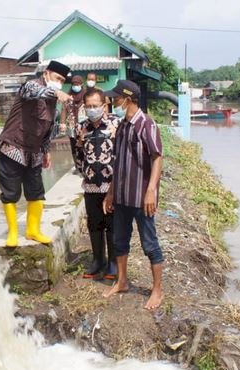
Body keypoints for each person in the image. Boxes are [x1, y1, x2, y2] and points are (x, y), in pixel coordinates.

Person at [101, 80, 165, 310]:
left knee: (150, 243)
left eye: (116, 98)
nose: (113, 101)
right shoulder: (123, 126)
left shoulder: (146, 124)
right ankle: (122, 281)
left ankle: (157, 290)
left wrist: (150, 191)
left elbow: (157, 157)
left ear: (127, 99)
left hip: (141, 197)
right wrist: (110, 192)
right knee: (120, 240)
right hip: (122, 195)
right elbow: (118, 162)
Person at [0, 61, 71, 247]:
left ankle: (33, 231)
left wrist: (46, 151)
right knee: (10, 193)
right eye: (57, 78)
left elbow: (48, 128)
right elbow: (35, 92)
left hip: (35, 152)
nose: (59, 83)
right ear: (46, 74)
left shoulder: (54, 101)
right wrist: (56, 92)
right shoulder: (31, 86)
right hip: (12, 148)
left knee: (37, 193)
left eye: (62, 81)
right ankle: (13, 233)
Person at [74, 88, 120, 280]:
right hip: (91, 184)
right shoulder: (81, 128)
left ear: (104, 106)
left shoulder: (116, 125)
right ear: (84, 107)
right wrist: (84, 171)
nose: (92, 109)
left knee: (112, 224)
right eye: (89, 106)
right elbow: (77, 156)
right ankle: (97, 260)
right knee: (94, 224)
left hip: (111, 185)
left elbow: (122, 155)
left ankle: (113, 263)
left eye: (96, 106)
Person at [59, 75, 86, 170]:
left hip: (84, 126)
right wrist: (62, 124)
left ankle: (85, 165)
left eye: (77, 84)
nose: (75, 86)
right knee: (74, 147)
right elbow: (64, 110)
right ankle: (77, 166)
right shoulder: (68, 96)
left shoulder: (86, 95)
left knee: (84, 145)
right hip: (72, 126)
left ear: (81, 84)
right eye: (74, 84)